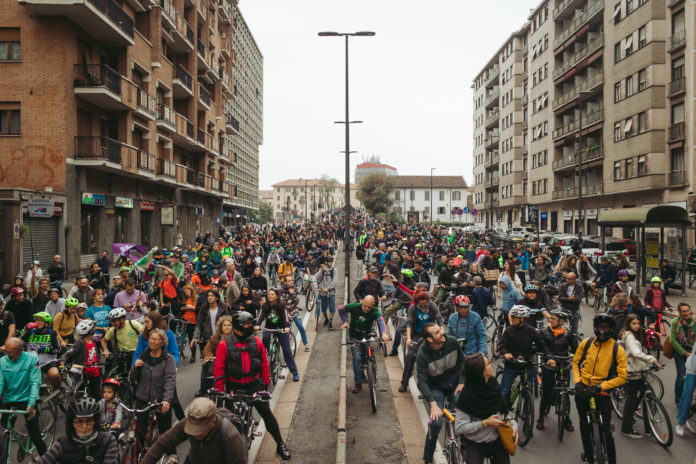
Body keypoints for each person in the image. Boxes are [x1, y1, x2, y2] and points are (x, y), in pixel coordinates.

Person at [213, 311, 291, 460]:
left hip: (254, 386)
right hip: (233, 388)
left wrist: (265, 387)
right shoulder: (224, 345)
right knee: (224, 422)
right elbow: (219, 370)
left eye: (250, 323)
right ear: (238, 326)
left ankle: (280, 444)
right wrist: (220, 391)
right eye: (246, 324)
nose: (249, 326)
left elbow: (264, 365)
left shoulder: (257, 342)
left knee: (267, 415)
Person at [572, 314, 628, 464]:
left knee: (607, 432)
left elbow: (622, 377)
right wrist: (577, 382)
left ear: (610, 329)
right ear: (596, 328)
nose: (602, 331)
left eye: (606, 327)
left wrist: (600, 386)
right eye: (600, 327)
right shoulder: (587, 343)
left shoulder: (617, 349)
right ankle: (590, 456)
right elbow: (575, 362)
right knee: (584, 426)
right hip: (583, 389)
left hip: (602, 390)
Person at [140, 397, 247, 464]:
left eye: (199, 430)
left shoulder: (230, 437)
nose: (195, 434)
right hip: (194, 459)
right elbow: (163, 442)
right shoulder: (191, 420)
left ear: (212, 422)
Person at [416, 323, 465, 464]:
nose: (442, 333)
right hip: (436, 387)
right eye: (438, 332)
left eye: (440, 330)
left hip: (455, 383)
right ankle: (427, 458)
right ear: (430, 339)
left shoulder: (452, 342)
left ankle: (466, 445)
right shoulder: (422, 355)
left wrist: (462, 381)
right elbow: (422, 381)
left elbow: (463, 361)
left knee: (466, 411)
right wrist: (432, 403)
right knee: (436, 423)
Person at [455, 353, 517, 464]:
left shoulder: (493, 384)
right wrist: (485, 423)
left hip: (496, 441)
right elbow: (460, 427)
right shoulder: (466, 396)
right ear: (480, 372)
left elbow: (503, 412)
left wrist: (514, 426)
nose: (491, 364)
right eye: (488, 364)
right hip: (475, 444)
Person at [36, 397, 118, 464]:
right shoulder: (61, 445)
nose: (84, 426)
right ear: (71, 423)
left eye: (89, 421)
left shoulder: (108, 441)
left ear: (96, 422)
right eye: (79, 421)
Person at [0, 337, 47, 455]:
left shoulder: (32, 359)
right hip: (9, 398)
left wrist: (31, 404)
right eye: (6, 351)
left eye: (11, 352)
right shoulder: (2, 361)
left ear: (21, 350)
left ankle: (47, 458)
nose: (7, 354)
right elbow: (0, 383)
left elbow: (35, 382)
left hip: (27, 399)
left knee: (35, 435)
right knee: (2, 432)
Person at [130, 327, 176, 444]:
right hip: (142, 399)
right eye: (151, 339)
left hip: (160, 400)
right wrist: (135, 368)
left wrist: (166, 400)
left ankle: (172, 456)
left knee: (165, 434)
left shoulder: (168, 360)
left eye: (156, 339)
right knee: (139, 434)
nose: (152, 341)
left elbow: (169, 381)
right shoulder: (143, 356)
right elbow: (133, 378)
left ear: (162, 342)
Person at [499, 305, 555, 401]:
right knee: (504, 392)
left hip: (527, 367)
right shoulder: (509, 330)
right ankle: (504, 413)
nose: (511, 319)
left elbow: (542, 345)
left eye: (514, 317)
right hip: (511, 365)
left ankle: (526, 412)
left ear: (522, 319)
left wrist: (550, 357)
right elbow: (502, 345)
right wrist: (506, 354)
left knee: (528, 392)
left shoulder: (531, 331)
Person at [619, 314, 660, 438]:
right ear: (628, 324)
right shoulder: (630, 337)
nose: (636, 326)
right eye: (633, 324)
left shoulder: (631, 335)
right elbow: (636, 353)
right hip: (633, 373)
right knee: (632, 401)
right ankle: (626, 429)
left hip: (638, 371)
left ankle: (648, 428)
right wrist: (652, 359)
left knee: (645, 397)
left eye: (638, 323)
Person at [338, 295, 390, 393]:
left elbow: (380, 321)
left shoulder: (375, 311)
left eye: (369, 307)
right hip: (354, 336)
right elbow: (340, 309)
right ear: (362, 303)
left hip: (367, 336)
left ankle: (364, 374)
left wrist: (383, 333)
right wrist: (345, 322)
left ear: (373, 306)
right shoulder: (355, 306)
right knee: (356, 357)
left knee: (364, 356)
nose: (366, 309)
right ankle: (358, 382)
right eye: (364, 306)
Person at [537, 310, 577, 431]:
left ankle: (567, 418)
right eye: (550, 318)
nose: (550, 320)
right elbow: (542, 347)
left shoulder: (568, 333)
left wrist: (575, 356)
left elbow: (576, 349)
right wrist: (548, 357)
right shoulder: (544, 332)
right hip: (549, 365)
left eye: (553, 319)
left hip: (563, 364)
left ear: (561, 321)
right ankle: (540, 418)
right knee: (547, 391)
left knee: (565, 391)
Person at [399, 291, 444, 393]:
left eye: (425, 303)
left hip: (430, 334)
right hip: (417, 335)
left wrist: (442, 330)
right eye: (421, 304)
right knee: (410, 356)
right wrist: (409, 338)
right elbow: (409, 324)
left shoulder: (432, 306)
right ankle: (404, 383)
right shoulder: (413, 308)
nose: (423, 306)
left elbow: (439, 319)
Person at [255, 288, 299, 382]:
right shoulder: (265, 306)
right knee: (263, 347)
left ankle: (294, 372)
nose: (270, 296)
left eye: (272, 294)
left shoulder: (282, 305)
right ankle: (260, 370)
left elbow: (285, 316)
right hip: (269, 328)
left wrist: (287, 327)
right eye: (269, 294)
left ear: (277, 296)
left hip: (281, 329)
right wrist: (257, 325)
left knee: (287, 351)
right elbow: (261, 316)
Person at [60, 319, 102, 399]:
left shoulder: (93, 341)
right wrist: (62, 363)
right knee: (79, 395)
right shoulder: (80, 343)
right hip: (83, 373)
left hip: (94, 372)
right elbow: (67, 354)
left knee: (96, 395)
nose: (94, 330)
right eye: (93, 329)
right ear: (90, 331)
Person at [21, 311, 62, 389]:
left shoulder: (52, 333)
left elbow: (58, 349)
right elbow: (18, 342)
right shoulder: (31, 331)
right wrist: (25, 331)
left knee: (55, 375)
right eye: (36, 320)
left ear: (46, 323)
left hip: (48, 362)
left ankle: (56, 391)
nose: (37, 322)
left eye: (40, 320)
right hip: (33, 362)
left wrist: (46, 349)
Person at [670, 302, 695, 406]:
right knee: (681, 377)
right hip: (680, 352)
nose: (686, 313)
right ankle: (679, 400)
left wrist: (692, 353)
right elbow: (673, 340)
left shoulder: (694, 320)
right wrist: (685, 353)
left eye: (687, 311)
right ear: (679, 312)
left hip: (693, 351)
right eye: (683, 311)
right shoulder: (675, 322)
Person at [279, 275, 309, 352]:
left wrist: (292, 294)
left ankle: (306, 344)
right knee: (283, 329)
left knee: (300, 326)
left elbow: (296, 301)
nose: (291, 282)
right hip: (284, 312)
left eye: (292, 280)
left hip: (294, 311)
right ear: (285, 282)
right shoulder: (281, 291)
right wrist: (286, 312)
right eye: (289, 281)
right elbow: (282, 303)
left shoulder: (295, 289)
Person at [558, 272, 584, 337]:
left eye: (569, 279)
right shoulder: (563, 286)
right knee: (559, 327)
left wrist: (565, 299)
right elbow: (560, 298)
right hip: (564, 308)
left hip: (574, 309)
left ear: (574, 279)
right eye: (566, 278)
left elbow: (578, 299)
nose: (567, 280)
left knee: (574, 331)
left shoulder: (579, 287)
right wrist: (568, 299)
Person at [315, 257, 338, 329]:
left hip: (331, 292)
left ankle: (330, 322)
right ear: (326, 262)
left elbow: (335, 281)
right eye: (329, 261)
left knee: (332, 308)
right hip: (322, 293)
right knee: (323, 309)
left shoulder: (334, 270)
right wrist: (321, 271)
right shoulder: (321, 269)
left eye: (332, 261)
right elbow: (316, 279)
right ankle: (326, 319)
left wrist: (328, 289)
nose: (331, 263)